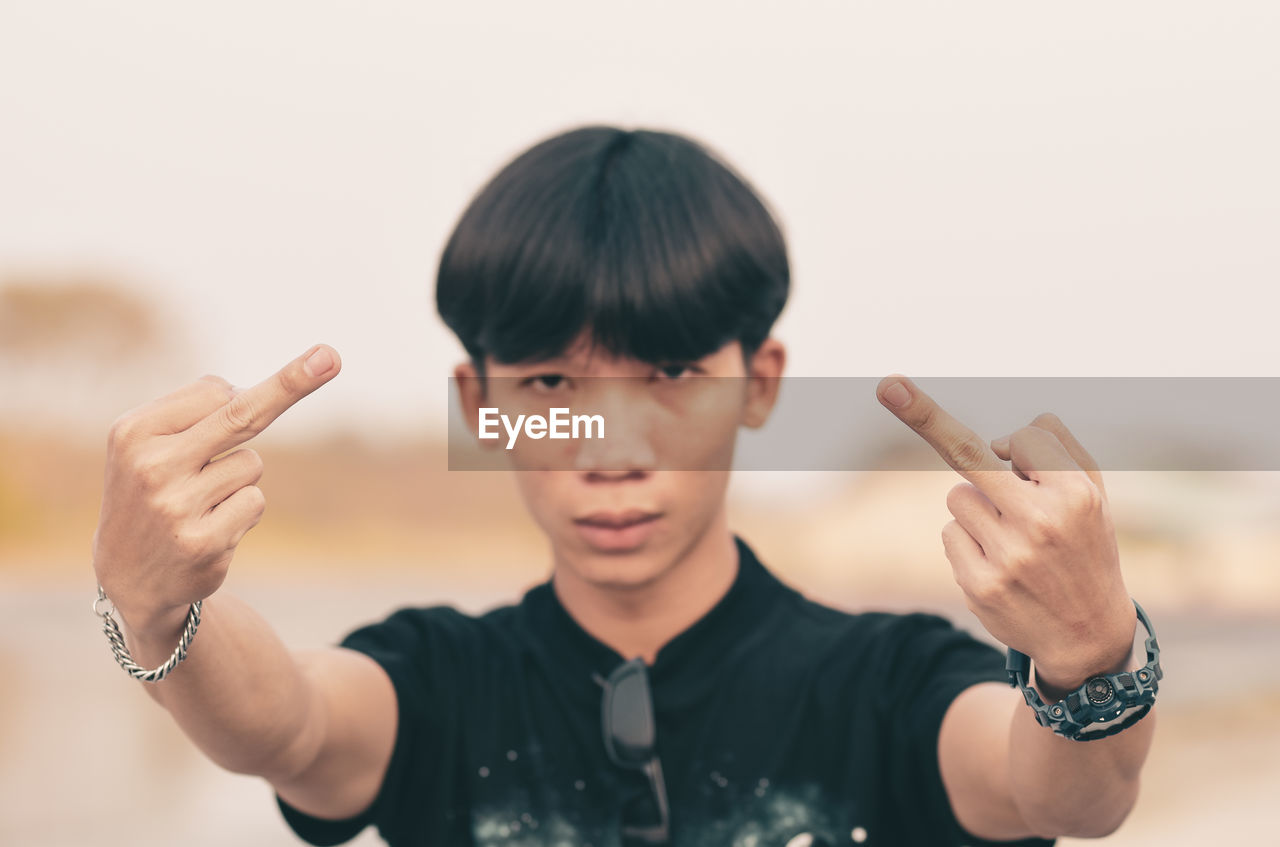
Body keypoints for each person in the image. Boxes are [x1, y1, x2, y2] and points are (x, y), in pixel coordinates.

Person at [92, 126, 1156, 847]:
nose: (608, 447)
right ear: (479, 402)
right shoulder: (434, 682)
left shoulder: (887, 685)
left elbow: (1062, 790)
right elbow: (286, 729)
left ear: (758, 381)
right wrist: (153, 602)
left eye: (670, 375)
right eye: (551, 382)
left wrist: (1087, 651)